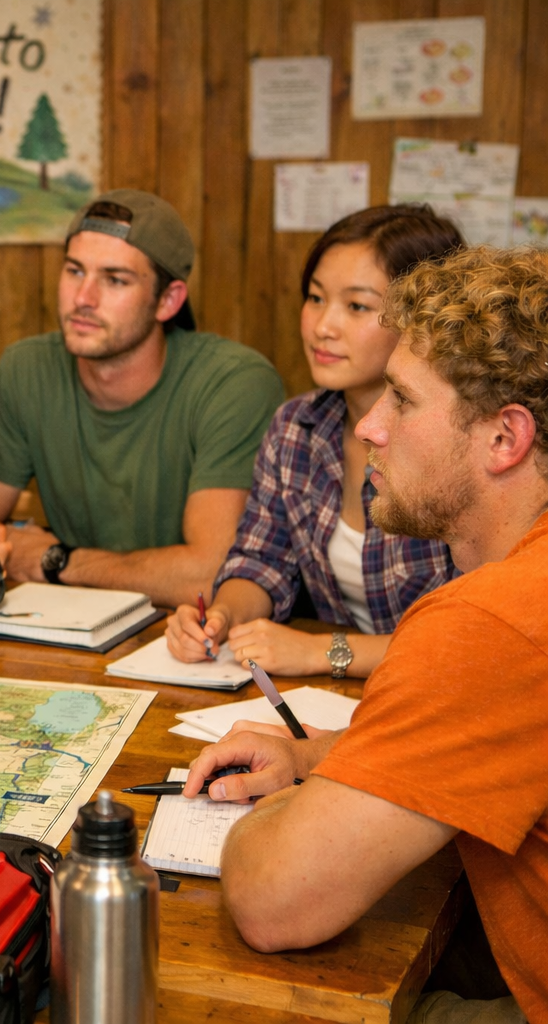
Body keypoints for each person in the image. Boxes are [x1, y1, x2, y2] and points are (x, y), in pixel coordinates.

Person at [183, 246, 548, 1023]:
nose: (372, 427)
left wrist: (276, 817)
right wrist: (324, 757)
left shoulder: (490, 620)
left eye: (404, 400)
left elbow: (273, 903)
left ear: (504, 439)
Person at [165, 206, 461, 678]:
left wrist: (327, 652)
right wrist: (222, 617)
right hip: (337, 702)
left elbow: (474, 636)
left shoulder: (462, 443)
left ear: (423, 321)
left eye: (357, 306)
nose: (323, 326)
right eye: (316, 298)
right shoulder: (296, 427)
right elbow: (261, 560)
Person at [0, 189, 285, 609]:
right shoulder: (24, 368)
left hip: (194, 634)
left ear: (169, 300)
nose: (83, 298)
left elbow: (213, 573)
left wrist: (58, 562)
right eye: (74, 271)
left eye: (115, 279)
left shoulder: (234, 382)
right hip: (75, 623)